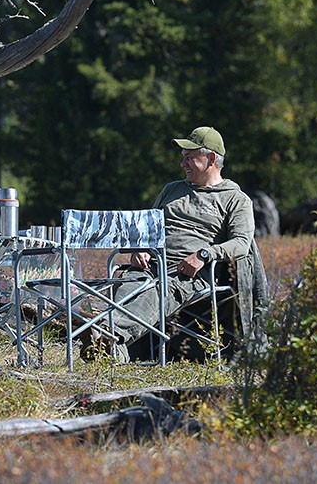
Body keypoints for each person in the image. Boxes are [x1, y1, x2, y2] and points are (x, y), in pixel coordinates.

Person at [105, 126, 254, 359]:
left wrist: (204, 255)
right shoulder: (172, 190)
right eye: (183, 158)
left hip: (190, 274)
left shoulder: (235, 199)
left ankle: (108, 336)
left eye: (189, 158)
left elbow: (241, 243)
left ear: (211, 159)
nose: (183, 164)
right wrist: (140, 250)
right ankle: (114, 346)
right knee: (131, 283)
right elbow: (146, 228)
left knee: (161, 290)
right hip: (151, 266)